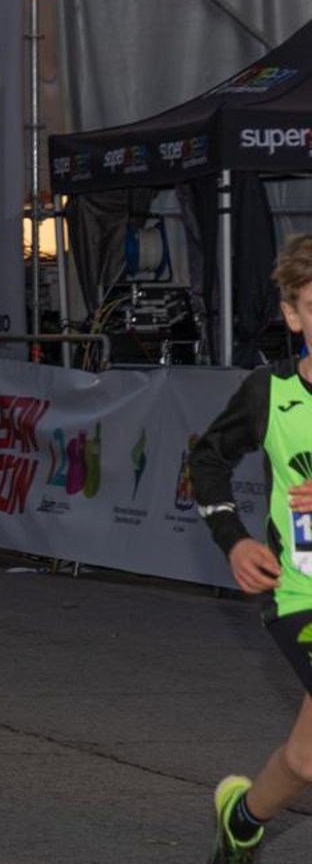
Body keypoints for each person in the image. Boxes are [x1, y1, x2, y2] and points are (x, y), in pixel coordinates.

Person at [193, 236, 312, 864]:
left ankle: (244, 818)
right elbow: (206, 460)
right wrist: (234, 540)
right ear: (293, 316)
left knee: (305, 758)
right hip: (299, 595)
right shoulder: (269, 393)